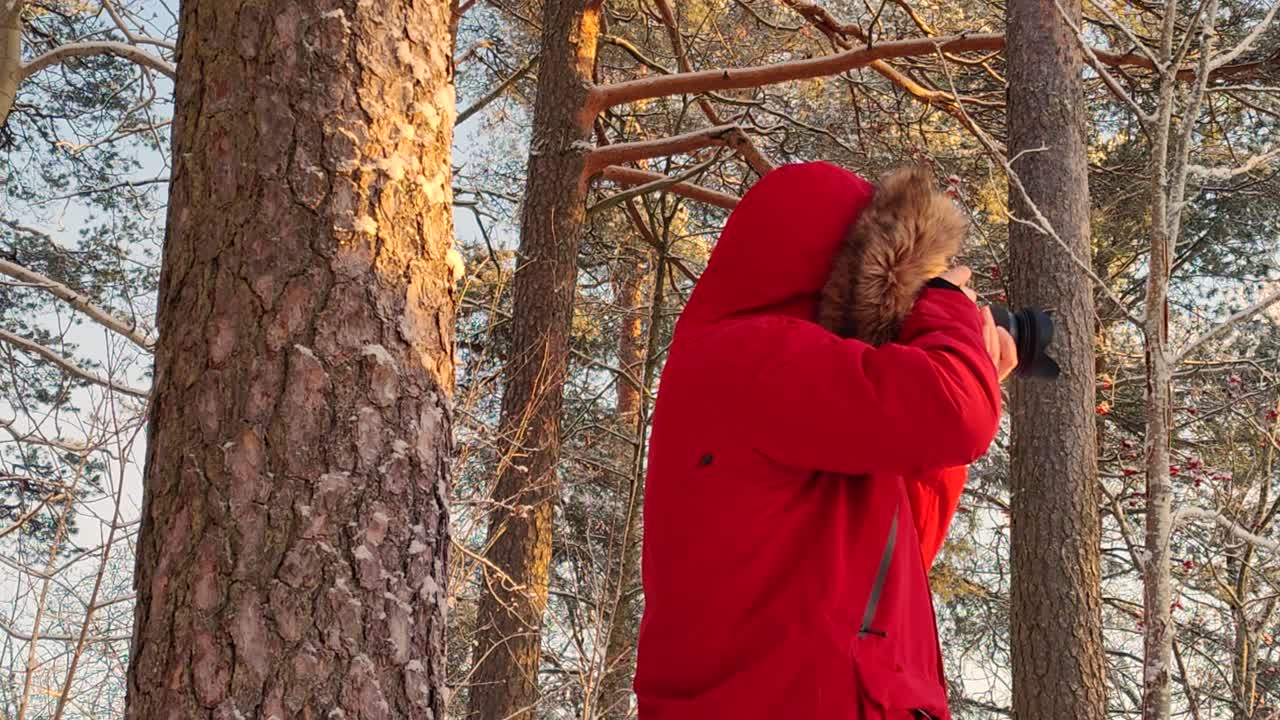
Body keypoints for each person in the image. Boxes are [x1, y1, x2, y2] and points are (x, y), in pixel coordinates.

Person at [633, 161, 1017, 720]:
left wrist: (963, 381)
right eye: (897, 283)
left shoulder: (757, 375)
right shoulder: (748, 357)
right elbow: (955, 414)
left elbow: (888, 570)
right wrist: (940, 300)